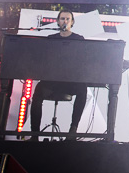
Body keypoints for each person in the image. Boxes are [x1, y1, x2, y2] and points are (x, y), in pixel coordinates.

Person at [29, 9, 87, 141]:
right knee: (38, 90)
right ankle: (34, 134)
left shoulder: (79, 39)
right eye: (62, 19)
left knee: (82, 89)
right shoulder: (51, 39)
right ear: (57, 22)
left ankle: (73, 130)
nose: (65, 21)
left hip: (70, 82)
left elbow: (82, 61)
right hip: (53, 81)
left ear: (72, 22)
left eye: (67, 19)